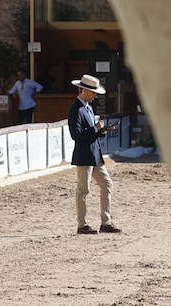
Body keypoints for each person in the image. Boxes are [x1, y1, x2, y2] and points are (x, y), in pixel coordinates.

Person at [68, 73, 121, 234]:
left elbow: (89, 133)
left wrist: (101, 130)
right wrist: (96, 129)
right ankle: (82, 225)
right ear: (84, 91)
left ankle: (106, 222)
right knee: (83, 190)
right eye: (93, 92)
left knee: (107, 185)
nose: (95, 95)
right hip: (85, 155)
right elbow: (76, 136)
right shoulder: (76, 109)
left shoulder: (87, 108)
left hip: (94, 155)